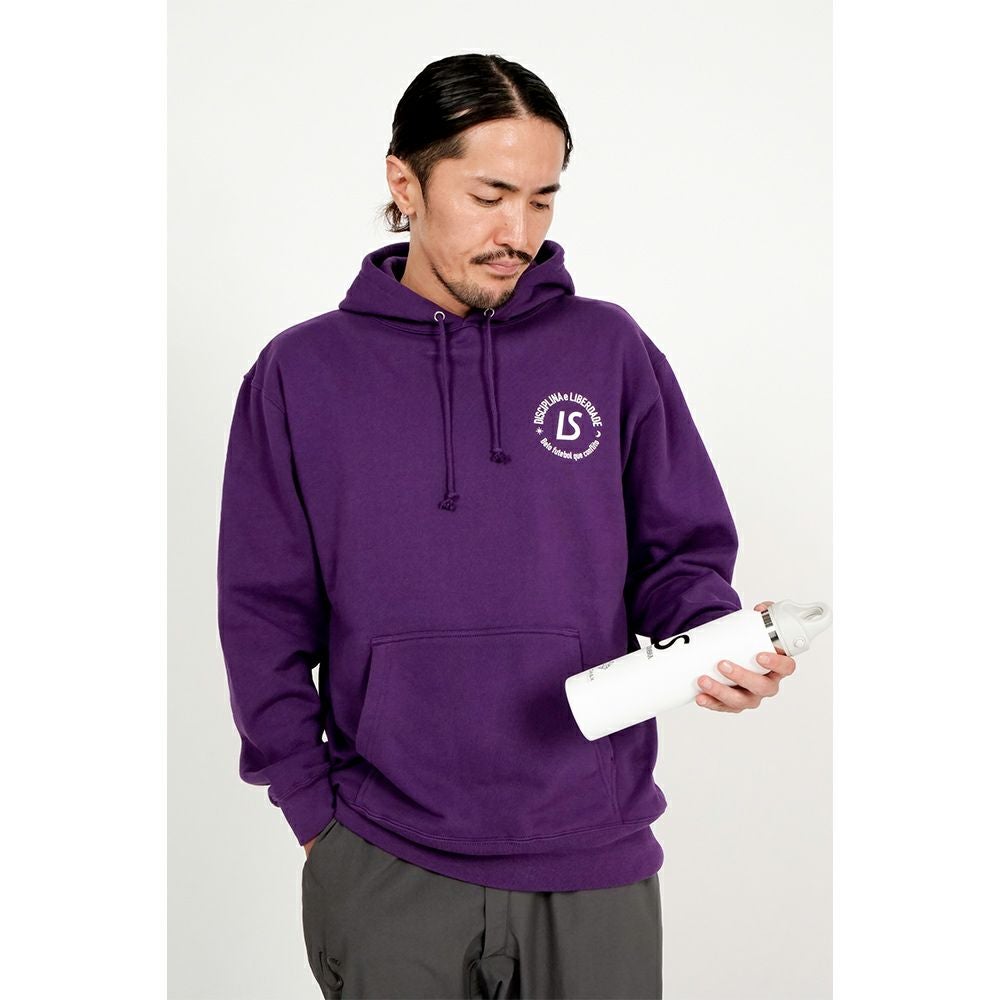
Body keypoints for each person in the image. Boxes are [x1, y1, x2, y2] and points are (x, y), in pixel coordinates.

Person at [216, 52, 797, 1000]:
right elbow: (262, 616)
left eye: (542, 200)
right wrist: (313, 813)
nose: (517, 233)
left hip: (593, 853)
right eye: (489, 196)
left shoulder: (609, 349)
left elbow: (679, 554)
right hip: (384, 857)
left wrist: (710, 646)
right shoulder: (300, 374)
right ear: (406, 182)